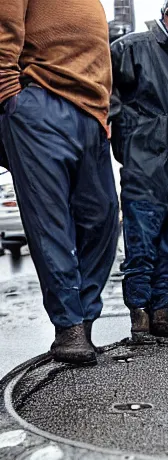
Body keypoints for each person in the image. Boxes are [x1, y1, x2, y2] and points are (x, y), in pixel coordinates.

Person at [0, 0, 119, 365]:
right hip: (40, 102)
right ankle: (69, 327)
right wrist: (10, 98)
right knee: (51, 223)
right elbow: (3, 27)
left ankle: (84, 319)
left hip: (91, 114)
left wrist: (102, 114)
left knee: (102, 220)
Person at [110, 0, 168, 344]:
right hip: (144, 166)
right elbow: (108, 93)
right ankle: (140, 318)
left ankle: (160, 312)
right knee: (141, 245)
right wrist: (129, 138)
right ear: (166, 10)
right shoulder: (133, 47)